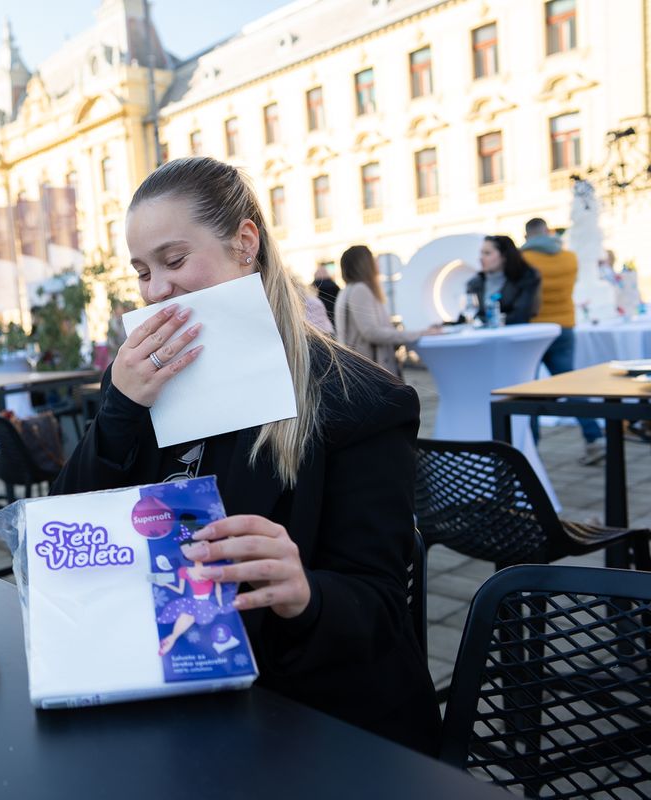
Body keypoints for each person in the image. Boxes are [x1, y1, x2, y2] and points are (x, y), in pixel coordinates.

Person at [53, 157, 439, 753]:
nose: (156, 290)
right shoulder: (137, 382)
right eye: (143, 272)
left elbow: (381, 607)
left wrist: (303, 591)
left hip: (309, 715)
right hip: (168, 688)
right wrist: (120, 410)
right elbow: (66, 533)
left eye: (175, 260)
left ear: (245, 244)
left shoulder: (359, 401)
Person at [522, 218, 604, 463]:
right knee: (570, 384)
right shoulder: (570, 258)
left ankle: (530, 448)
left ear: (527, 236)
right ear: (547, 232)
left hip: (534, 331)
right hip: (564, 326)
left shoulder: (524, 259)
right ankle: (594, 437)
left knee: (527, 390)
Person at [334, 245, 440, 377]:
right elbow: (372, 333)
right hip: (372, 369)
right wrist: (419, 334)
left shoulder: (345, 291)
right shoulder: (360, 290)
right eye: (373, 259)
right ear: (364, 264)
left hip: (359, 368)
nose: (377, 263)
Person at [465, 235, 542, 325]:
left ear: (504, 256)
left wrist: (487, 322)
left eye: (487, 253)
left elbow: (521, 315)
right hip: (485, 333)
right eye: (481, 253)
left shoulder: (525, 278)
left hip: (515, 332)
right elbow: (469, 313)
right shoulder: (475, 283)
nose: (481, 258)